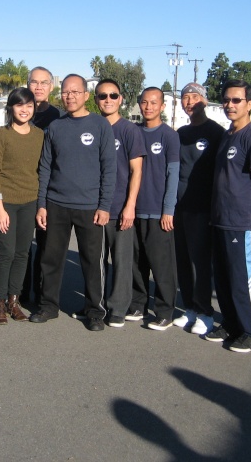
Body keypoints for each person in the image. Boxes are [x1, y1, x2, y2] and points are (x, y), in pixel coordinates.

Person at [30, 74, 116, 331]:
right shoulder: (55, 127)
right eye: (66, 92)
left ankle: (95, 312)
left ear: (86, 96)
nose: (70, 96)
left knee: (92, 262)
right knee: (51, 258)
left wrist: (104, 205)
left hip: (90, 206)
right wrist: (42, 204)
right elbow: (45, 167)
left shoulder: (101, 126)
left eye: (75, 92)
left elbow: (109, 169)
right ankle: (48, 306)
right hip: (56, 203)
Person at [204, 79, 251, 353]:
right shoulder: (228, 135)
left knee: (244, 278)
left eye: (237, 100)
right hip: (220, 219)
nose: (230, 105)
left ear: (250, 104)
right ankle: (232, 323)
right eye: (227, 100)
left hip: (242, 222)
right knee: (224, 278)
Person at [0, 87, 44, 324]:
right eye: (20, 105)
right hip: (6, 203)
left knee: (22, 253)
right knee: (6, 252)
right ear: (11, 107)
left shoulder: (40, 135)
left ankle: (14, 300)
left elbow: (42, 170)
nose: (25, 110)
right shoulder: (2, 134)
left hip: (30, 200)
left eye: (29, 105)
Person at [173, 83, 225, 335]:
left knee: (201, 263)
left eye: (195, 97)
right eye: (185, 97)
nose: (190, 101)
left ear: (205, 100)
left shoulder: (216, 133)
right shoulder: (180, 133)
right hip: (179, 206)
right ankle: (189, 308)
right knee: (182, 261)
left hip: (203, 208)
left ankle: (206, 312)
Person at [128, 87, 180, 331]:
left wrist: (168, 209)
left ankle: (164, 311)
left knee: (162, 265)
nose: (148, 107)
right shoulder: (134, 132)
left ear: (162, 106)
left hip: (159, 212)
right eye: (144, 102)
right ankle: (138, 305)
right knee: (137, 264)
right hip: (134, 210)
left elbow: (173, 175)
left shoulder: (169, 136)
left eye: (153, 103)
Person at [94, 79, 145, 328]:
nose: (108, 100)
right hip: (94, 207)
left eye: (113, 95)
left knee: (122, 261)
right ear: (96, 100)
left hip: (120, 207)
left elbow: (137, 171)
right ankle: (97, 306)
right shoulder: (93, 128)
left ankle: (117, 308)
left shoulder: (129, 130)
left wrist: (130, 205)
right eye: (102, 96)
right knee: (96, 260)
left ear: (121, 99)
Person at [22, 65, 61, 305]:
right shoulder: (19, 110)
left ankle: (42, 295)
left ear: (51, 87)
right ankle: (21, 291)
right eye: (34, 82)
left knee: (46, 246)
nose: (38, 87)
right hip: (23, 186)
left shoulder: (57, 116)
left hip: (47, 188)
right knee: (23, 245)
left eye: (43, 82)